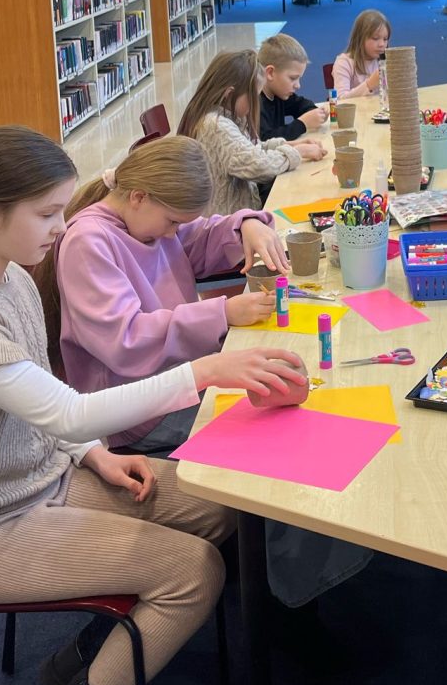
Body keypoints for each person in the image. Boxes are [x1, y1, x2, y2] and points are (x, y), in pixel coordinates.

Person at [0, 126, 308, 685]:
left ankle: (85, 662)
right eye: (46, 213)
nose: (62, 227)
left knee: (223, 501)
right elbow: (67, 411)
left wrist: (93, 455)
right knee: (193, 572)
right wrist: (203, 371)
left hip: (44, 482)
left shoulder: (8, 277)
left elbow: (42, 409)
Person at [42, 135, 289, 456]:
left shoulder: (149, 218)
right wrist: (222, 314)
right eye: (172, 221)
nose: (173, 233)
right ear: (138, 197)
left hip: (182, 376)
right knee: (268, 427)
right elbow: (126, 340)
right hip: (140, 411)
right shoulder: (87, 242)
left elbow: (200, 235)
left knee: (276, 391)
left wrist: (247, 225)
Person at [178, 49, 326, 212]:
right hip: (229, 221)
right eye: (255, 95)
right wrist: (298, 152)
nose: (257, 102)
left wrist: (290, 145)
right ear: (229, 94)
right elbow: (257, 165)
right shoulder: (216, 126)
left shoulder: (227, 116)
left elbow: (251, 149)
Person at [258, 32, 327, 142]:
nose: (298, 85)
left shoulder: (278, 93)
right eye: (293, 78)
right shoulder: (254, 103)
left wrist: (317, 113)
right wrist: (303, 123)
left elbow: (300, 104)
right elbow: (266, 140)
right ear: (270, 73)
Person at [331, 9, 390, 99]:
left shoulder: (385, 61)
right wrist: (369, 84)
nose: (382, 44)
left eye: (385, 39)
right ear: (360, 38)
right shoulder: (344, 62)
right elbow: (340, 99)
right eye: (375, 38)